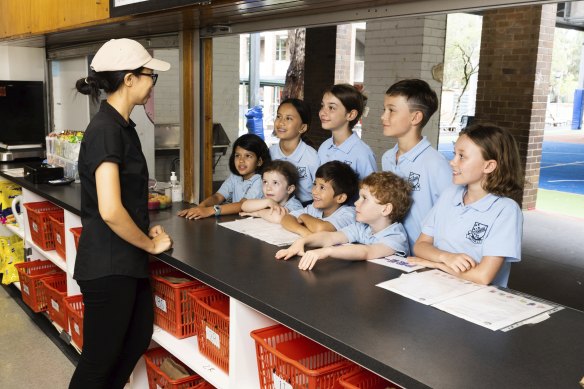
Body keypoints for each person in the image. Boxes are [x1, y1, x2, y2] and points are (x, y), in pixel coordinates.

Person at [70, 38, 173, 389]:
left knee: (135, 338)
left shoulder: (122, 127)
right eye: (149, 76)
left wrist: (148, 234)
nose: (151, 84)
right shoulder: (105, 131)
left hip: (124, 261)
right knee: (97, 365)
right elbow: (111, 209)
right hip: (109, 265)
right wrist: (149, 244)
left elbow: (124, 203)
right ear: (129, 79)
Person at [409, 123, 524, 287]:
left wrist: (436, 264)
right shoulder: (450, 194)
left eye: (462, 156)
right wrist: (446, 257)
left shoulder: (506, 210)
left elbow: (483, 276)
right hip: (434, 286)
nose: (452, 162)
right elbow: (420, 246)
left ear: (489, 166)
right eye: (454, 154)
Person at [275, 172, 411, 270]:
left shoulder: (396, 236)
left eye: (364, 199)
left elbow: (366, 251)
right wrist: (303, 241)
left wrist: (327, 251)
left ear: (386, 209)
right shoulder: (363, 227)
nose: (357, 203)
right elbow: (331, 237)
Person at [381, 79, 452, 253]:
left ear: (416, 117)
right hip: (392, 251)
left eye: (392, 110)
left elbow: (450, 217)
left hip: (423, 258)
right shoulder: (388, 158)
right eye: (384, 110)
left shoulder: (436, 164)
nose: (384, 116)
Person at [177, 133, 270, 220]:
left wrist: (209, 210)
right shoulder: (235, 177)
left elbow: (242, 205)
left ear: (259, 161)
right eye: (237, 155)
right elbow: (218, 197)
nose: (241, 160)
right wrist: (200, 207)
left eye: (248, 156)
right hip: (239, 221)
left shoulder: (261, 181)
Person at [281, 161, 357, 237]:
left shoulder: (349, 214)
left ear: (340, 198)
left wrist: (303, 216)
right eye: (315, 184)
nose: (314, 191)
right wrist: (304, 232)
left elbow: (321, 229)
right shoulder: (314, 208)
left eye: (322, 187)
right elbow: (286, 218)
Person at [317, 83, 377, 182]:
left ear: (351, 115)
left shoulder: (363, 153)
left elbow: (373, 193)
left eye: (331, 108)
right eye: (323, 106)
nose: (322, 112)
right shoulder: (324, 147)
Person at [269, 98, 320, 205]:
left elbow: (320, 188)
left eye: (288, 118)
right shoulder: (270, 153)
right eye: (279, 116)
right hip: (275, 204)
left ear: (302, 127)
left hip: (306, 207)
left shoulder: (312, 156)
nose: (281, 122)